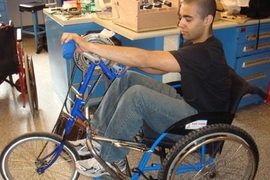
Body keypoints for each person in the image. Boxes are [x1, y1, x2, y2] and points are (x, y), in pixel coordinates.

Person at [60, 0, 231, 177]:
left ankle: (109, 159)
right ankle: (100, 136)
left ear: (207, 20)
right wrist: (131, 64)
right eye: (181, 17)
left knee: (137, 97)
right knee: (128, 78)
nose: (180, 23)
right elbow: (160, 67)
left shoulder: (204, 53)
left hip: (200, 123)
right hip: (190, 104)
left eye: (188, 19)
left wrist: (89, 46)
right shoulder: (197, 44)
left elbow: (147, 58)